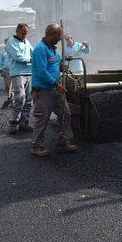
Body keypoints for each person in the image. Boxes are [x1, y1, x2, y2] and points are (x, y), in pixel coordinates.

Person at [30, 23, 78, 157]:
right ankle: (36, 146)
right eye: (58, 35)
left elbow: (54, 64)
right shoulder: (40, 49)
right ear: (51, 35)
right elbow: (41, 72)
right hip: (43, 90)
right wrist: (55, 84)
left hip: (55, 89)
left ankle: (62, 142)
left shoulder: (53, 49)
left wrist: (60, 67)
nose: (60, 38)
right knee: (42, 118)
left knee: (65, 113)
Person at [5, 23, 34, 134]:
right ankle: (13, 122)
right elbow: (17, 56)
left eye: (26, 33)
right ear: (17, 31)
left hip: (29, 73)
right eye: (23, 33)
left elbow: (34, 52)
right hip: (17, 73)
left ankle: (24, 123)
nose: (24, 35)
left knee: (28, 100)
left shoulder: (27, 42)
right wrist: (31, 60)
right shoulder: (11, 41)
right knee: (19, 98)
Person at [0, 38, 12, 109]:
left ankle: (12, 100)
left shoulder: (14, 51)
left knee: (15, 86)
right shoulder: (2, 52)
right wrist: (0, 71)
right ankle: (11, 99)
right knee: (8, 86)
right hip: (6, 71)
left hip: (15, 70)